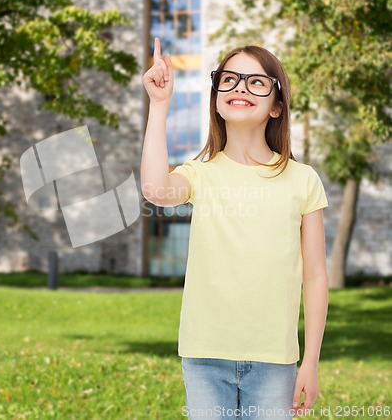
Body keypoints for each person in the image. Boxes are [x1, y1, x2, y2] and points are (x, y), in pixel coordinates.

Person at [141, 37, 329, 419]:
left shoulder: (303, 179)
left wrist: (309, 362)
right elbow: (156, 191)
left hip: (275, 360)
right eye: (229, 79)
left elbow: (315, 276)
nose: (240, 87)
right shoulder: (200, 174)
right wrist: (159, 106)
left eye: (256, 82)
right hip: (205, 356)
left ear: (277, 106)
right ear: (216, 96)